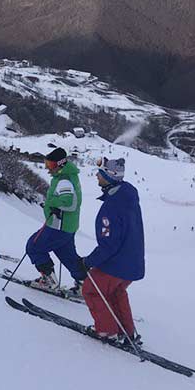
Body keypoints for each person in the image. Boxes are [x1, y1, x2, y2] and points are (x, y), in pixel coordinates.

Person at [79, 157, 145, 345]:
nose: (97, 176)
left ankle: (107, 331)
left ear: (110, 176)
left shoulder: (112, 206)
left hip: (117, 262)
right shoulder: (127, 197)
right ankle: (126, 331)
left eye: (101, 173)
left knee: (91, 290)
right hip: (132, 262)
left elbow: (109, 244)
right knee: (116, 292)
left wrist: (88, 262)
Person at [25, 147, 85, 293]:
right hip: (67, 227)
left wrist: (52, 204)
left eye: (50, 165)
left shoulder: (64, 180)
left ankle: (48, 281)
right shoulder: (67, 176)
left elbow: (70, 202)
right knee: (68, 256)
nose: (48, 169)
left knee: (33, 247)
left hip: (58, 225)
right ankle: (85, 286)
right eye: (46, 164)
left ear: (60, 164)